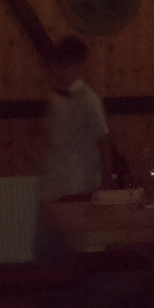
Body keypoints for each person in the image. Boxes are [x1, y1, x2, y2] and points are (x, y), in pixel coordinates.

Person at [41, 35, 115, 201]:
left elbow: (103, 140)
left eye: (64, 66)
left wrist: (106, 180)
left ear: (78, 66)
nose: (57, 71)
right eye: (57, 65)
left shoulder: (89, 100)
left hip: (79, 185)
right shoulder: (54, 99)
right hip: (54, 184)